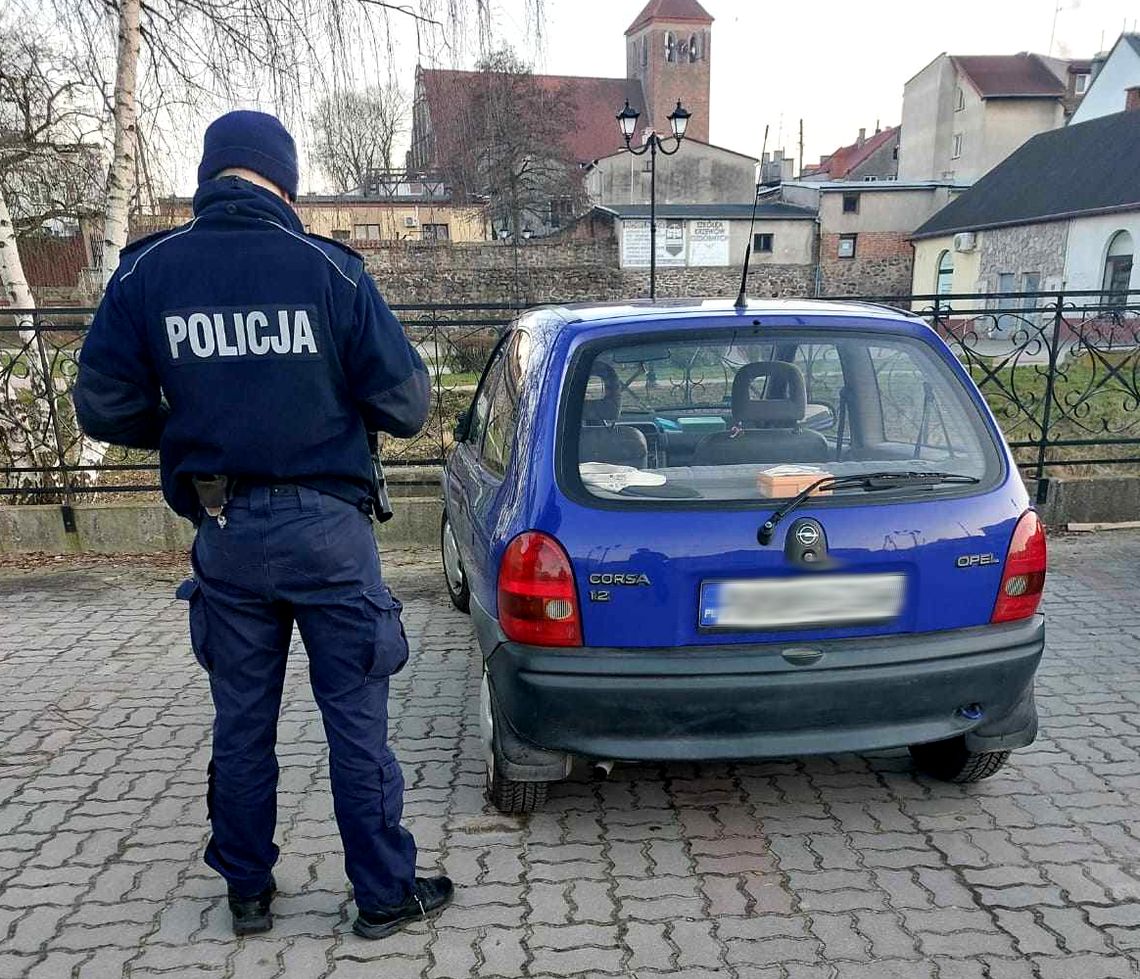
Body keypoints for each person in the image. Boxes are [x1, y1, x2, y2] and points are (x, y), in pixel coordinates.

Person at [72, 110, 453, 940]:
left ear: (212, 178)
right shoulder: (331, 270)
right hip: (329, 528)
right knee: (355, 717)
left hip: (225, 525)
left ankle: (247, 890)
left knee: (242, 718)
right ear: (286, 180)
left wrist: (183, 424)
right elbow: (408, 403)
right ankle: (382, 892)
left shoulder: (148, 272)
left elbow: (101, 403)